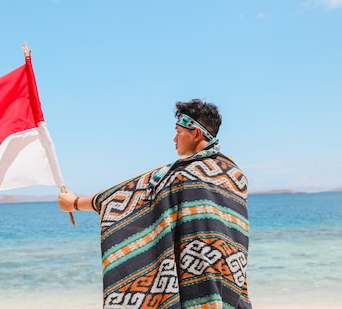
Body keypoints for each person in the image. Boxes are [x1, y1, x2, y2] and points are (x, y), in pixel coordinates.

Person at [58, 99, 252, 309]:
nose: (174, 139)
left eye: (178, 131)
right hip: (229, 287)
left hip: (193, 287)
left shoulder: (181, 177)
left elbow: (128, 196)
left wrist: (75, 203)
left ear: (196, 134)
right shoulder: (236, 176)